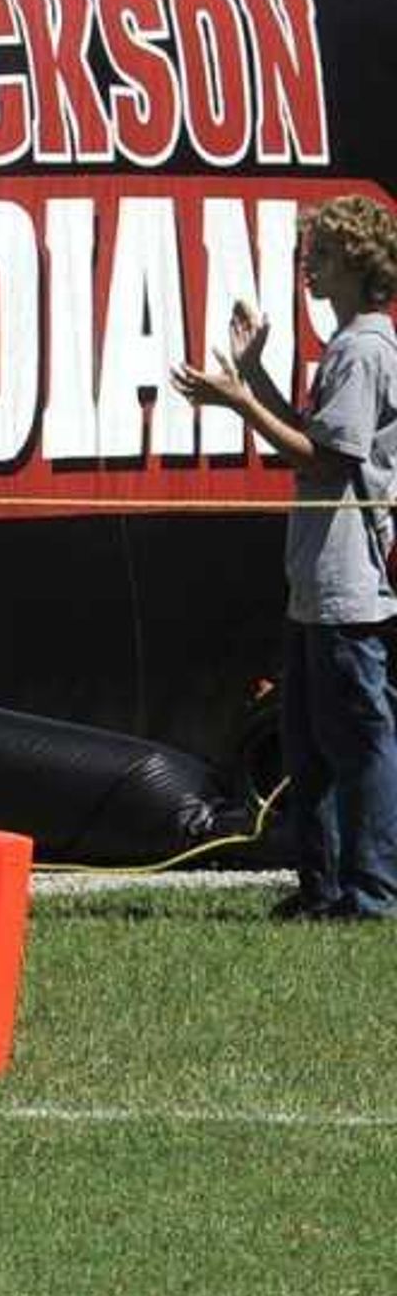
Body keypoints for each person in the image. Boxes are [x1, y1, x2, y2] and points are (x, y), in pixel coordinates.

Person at [170, 193, 397, 922]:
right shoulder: (348, 347)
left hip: (348, 586)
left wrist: (239, 402)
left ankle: (370, 894)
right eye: (311, 254)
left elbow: (327, 461)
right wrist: (256, 376)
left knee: (358, 745)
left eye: (324, 255)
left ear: (361, 268)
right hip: (316, 584)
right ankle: (324, 888)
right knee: (310, 750)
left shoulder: (364, 348)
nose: (311, 267)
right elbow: (310, 438)